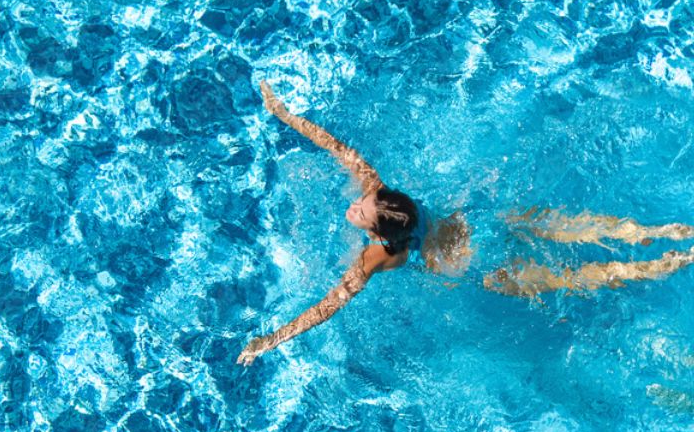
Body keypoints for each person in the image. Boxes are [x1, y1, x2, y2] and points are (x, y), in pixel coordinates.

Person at [237, 80, 694, 366]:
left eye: (363, 212)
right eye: (364, 203)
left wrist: (271, 340)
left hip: (479, 268)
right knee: (568, 227)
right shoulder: (385, 196)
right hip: (479, 226)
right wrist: (284, 114)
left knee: (570, 277)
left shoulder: (375, 258)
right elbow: (337, 147)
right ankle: (671, 236)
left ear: (379, 234)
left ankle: (658, 262)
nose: (356, 207)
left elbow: (326, 308)